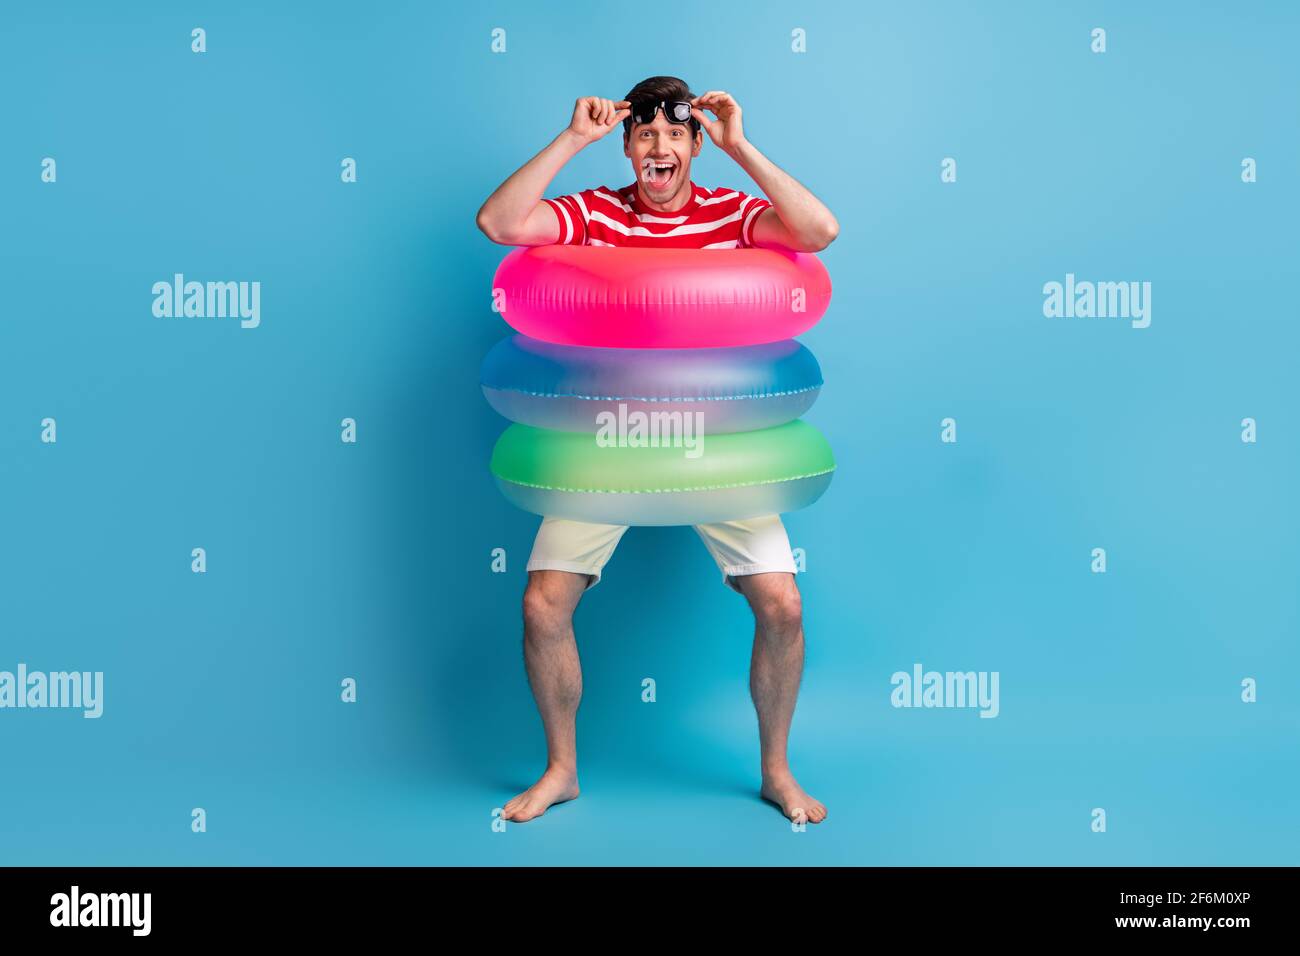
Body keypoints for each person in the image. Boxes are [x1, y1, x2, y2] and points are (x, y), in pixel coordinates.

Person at [476, 76, 839, 823]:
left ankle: (775, 771)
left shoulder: (730, 215)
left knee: (783, 605)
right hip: (606, 441)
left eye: (675, 135)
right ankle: (561, 770)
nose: (659, 148)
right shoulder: (597, 211)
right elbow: (499, 222)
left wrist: (743, 147)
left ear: (695, 146)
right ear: (628, 145)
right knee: (543, 603)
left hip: (719, 444)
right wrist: (572, 138)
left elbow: (819, 232)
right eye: (645, 136)